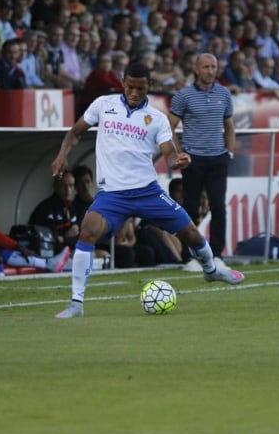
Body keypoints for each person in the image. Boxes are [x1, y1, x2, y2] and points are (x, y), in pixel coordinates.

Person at [52, 62, 245, 319]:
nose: (134, 92)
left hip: (147, 192)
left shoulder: (157, 119)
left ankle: (211, 270)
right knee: (87, 231)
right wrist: (62, 154)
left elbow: (168, 151)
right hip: (112, 195)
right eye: (130, 86)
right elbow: (75, 133)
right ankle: (76, 304)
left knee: (192, 235)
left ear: (149, 87)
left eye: (140, 88)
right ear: (122, 82)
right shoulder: (103, 105)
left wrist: (178, 160)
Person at [169, 53, 235, 270]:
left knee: (218, 207)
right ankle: (188, 256)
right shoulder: (183, 95)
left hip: (218, 158)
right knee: (190, 207)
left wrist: (229, 153)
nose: (210, 71)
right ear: (196, 70)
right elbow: (169, 126)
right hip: (193, 159)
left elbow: (230, 126)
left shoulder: (224, 94)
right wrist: (180, 153)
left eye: (214, 66)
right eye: (206, 67)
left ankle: (216, 254)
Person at [29, 172, 81, 254]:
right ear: (56, 186)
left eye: (71, 185)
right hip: (46, 253)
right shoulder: (45, 208)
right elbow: (47, 239)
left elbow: (76, 236)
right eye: (63, 185)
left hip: (67, 252)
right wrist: (66, 236)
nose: (68, 189)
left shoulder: (71, 208)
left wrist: (63, 238)